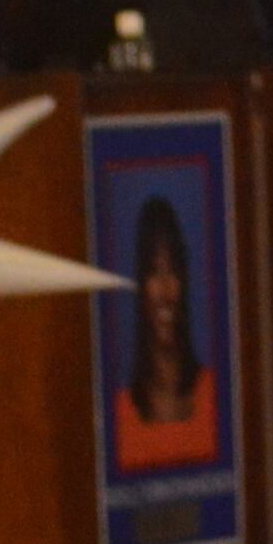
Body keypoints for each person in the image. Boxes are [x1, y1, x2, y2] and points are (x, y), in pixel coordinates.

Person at [109, 192, 218, 471]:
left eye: (173, 271)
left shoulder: (215, 396)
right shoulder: (120, 413)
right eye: (154, 272)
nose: (165, 290)